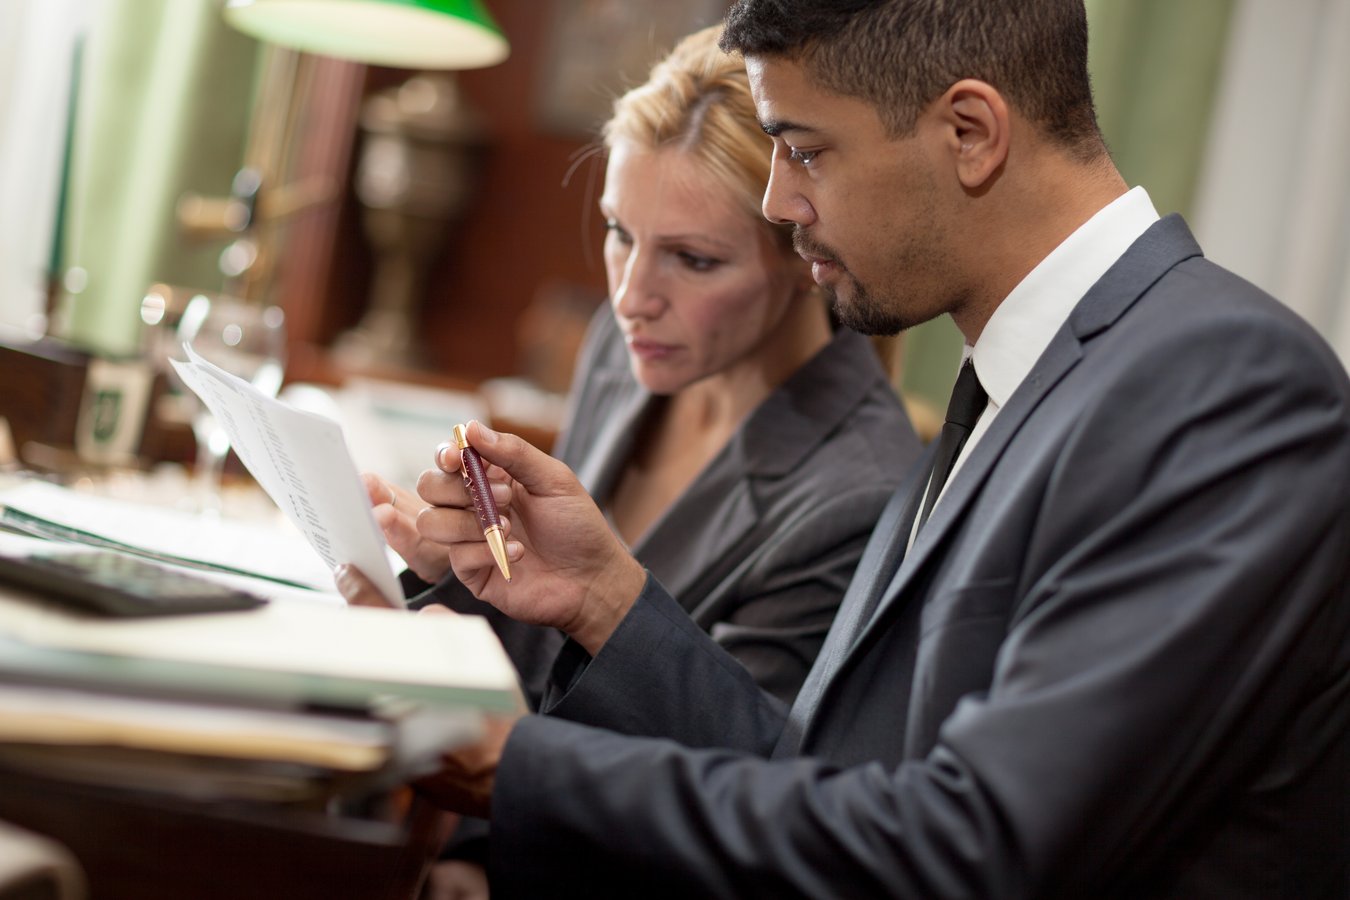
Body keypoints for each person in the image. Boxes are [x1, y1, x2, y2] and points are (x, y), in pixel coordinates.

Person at [340, 1, 1350, 896]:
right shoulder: (1017, 372)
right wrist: (607, 598)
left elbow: (977, 850)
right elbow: (821, 777)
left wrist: (514, 768)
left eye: (804, 147)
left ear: (970, 132)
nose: (779, 201)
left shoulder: (1223, 382)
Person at [366, 24, 918, 708]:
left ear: (807, 255)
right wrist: (448, 577)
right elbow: (548, 658)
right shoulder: (622, 352)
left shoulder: (857, 495)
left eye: (694, 260)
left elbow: (742, 771)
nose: (630, 299)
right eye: (620, 235)